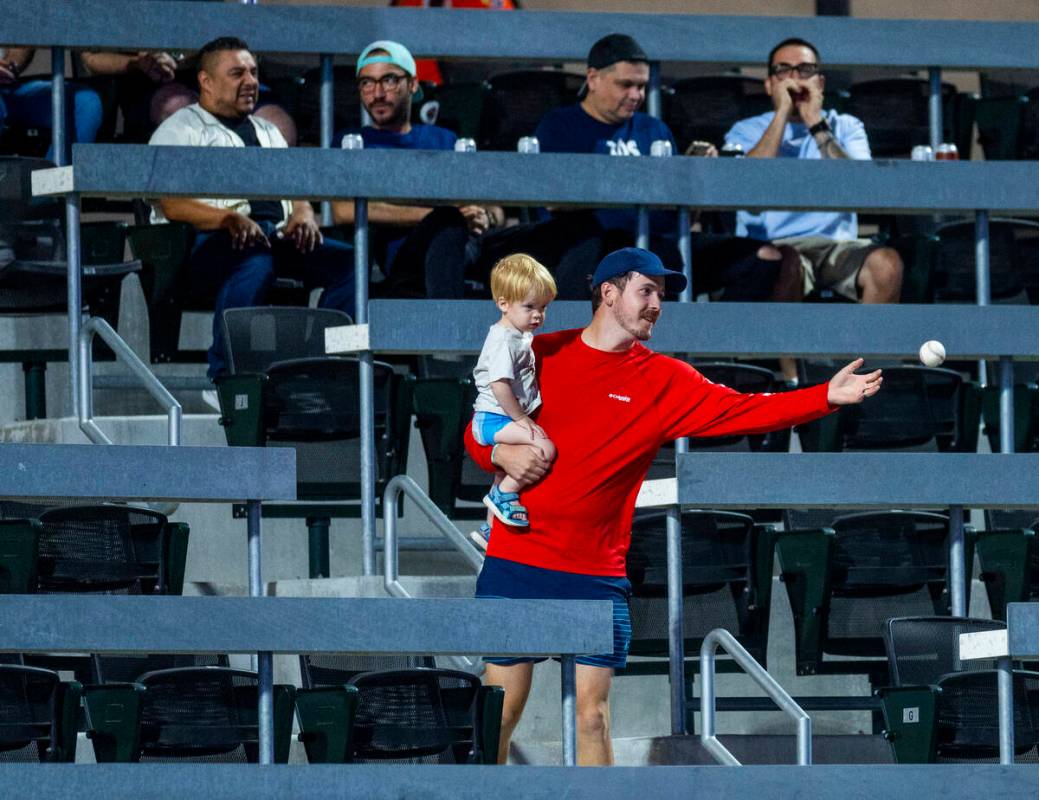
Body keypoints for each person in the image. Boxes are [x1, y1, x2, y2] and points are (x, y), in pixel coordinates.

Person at [464, 246, 883, 765]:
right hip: (518, 561)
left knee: (592, 718)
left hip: (594, 572)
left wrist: (823, 397)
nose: (657, 304)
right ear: (608, 293)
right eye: (648, 291)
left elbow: (744, 410)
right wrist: (497, 452)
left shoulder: (665, 379)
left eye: (662, 295)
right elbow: (478, 425)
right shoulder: (540, 352)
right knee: (501, 713)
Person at [148, 36, 354, 382]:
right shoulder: (180, 130)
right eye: (237, 73)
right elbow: (172, 204)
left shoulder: (268, 131)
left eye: (254, 73)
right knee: (254, 262)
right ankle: (224, 376)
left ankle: (321, 363)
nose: (251, 82)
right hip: (204, 243)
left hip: (273, 237)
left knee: (349, 263)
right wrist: (227, 218)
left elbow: (294, 192)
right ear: (206, 81)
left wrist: (303, 212)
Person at [532, 33, 789, 302]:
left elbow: (683, 217)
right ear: (593, 79)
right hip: (591, 248)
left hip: (660, 248)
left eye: (641, 86)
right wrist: (638, 182)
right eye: (626, 85)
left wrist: (692, 174)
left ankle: (716, 340)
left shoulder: (653, 128)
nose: (636, 95)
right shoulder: (559, 124)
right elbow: (553, 200)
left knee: (763, 258)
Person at [724, 37, 903, 305]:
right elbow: (747, 184)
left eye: (805, 70)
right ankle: (784, 349)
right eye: (783, 70)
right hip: (774, 244)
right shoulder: (745, 130)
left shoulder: (846, 126)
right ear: (769, 84)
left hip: (837, 245)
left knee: (886, 264)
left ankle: (863, 349)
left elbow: (860, 188)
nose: (795, 79)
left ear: (820, 82)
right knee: (785, 263)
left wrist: (814, 122)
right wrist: (782, 114)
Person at [330, 40, 505, 299]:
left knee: (558, 235)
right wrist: (440, 215)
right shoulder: (353, 141)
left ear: (412, 84)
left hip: (470, 242)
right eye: (367, 83)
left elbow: (493, 207)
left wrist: (485, 216)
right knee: (447, 223)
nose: (377, 93)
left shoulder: (444, 138)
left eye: (388, 80)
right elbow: (343, 211)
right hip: (407, 255)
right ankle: (448, 333)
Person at [471, 254, 558, 548]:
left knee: (505, 468)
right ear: (504, 303)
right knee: (543, 446)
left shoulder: (520, 336)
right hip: (494, 418)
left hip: (504, 416)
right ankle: (503, 494)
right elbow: (500, 385)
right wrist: (521, 419)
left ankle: (490, 529)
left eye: (543, 308)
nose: (538, 315)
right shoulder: (503, 340)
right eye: (530, 307)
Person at [0, 47, 103, 161]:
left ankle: (56, 176)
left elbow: (20, 44)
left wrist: (10, 64)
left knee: (85, 103)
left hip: (9, 87)